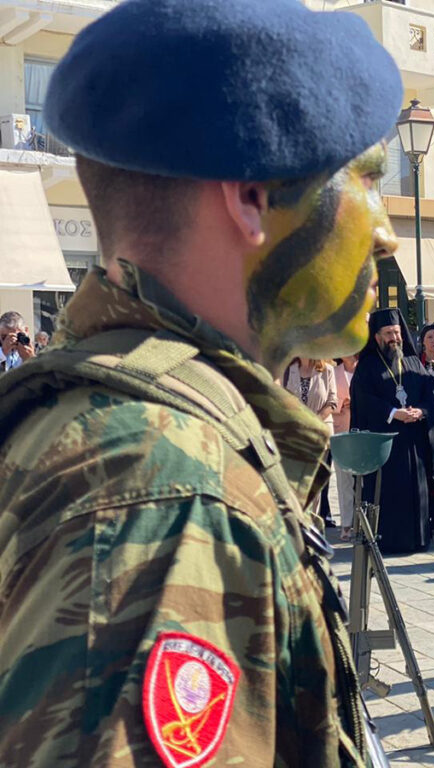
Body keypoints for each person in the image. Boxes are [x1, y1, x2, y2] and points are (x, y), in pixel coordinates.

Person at [0, 0, 403, 762]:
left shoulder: (117, 422)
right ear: (252, 198)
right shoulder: (167, 484)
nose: (383, 231)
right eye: (366, 179)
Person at [351, 309, 434, 555]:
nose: (395, 338)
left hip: (413, 442)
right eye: (389, 333)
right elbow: (363, 400)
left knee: (415, 489)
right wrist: (392, 412)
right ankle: (388, 540)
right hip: (384, 443)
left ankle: (418, 538)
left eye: (397, 332)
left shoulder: (413, 363)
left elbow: (431, 396)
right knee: (389, 491)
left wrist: (420, 412)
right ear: (377, 336)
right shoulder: (367, 367)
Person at [284, 357, 339, 522]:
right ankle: (296, 522)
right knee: (295, 483)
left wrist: (315, 419)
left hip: (319, 432)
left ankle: (312, 525)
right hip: (295, 432)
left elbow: (332, 401)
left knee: (314, 484)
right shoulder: (287, 369)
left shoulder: (327, 370)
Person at [332, 354, 359, 541]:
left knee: (364, 481)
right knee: (344, 480)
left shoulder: (365, 368)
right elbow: (326, 398)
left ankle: (363, 522)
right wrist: (342, 404)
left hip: (362, 430)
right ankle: (347, 524)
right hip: (341, 429)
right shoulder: (333, 372)